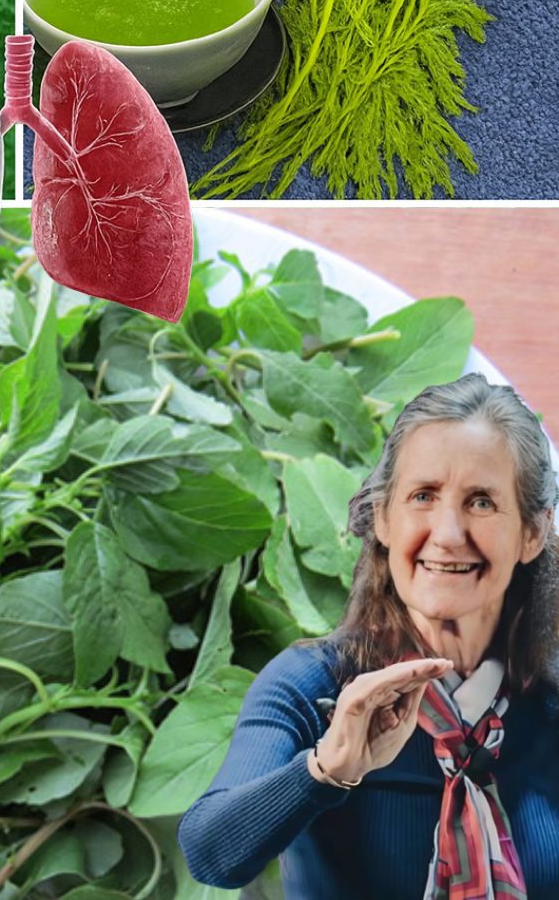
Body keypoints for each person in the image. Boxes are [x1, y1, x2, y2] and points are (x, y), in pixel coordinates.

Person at [178, 373, 559, 899]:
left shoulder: (549, 702)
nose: (447, 535)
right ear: (383, 518)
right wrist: (326, 770)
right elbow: (211, 855)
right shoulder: (311, 684)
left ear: (533, 533)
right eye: (423, 495)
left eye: (482, 502)